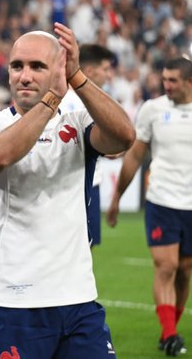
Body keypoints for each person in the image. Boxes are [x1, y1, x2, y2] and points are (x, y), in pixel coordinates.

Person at [0, 24, 135, 358]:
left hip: (78, 300)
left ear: (57, 68)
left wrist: (78, 78)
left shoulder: (76, 123)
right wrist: (53, 97)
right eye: (17, 66)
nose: (24, 76)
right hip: (13, 302)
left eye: (37, 66)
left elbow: (124, 137)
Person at [107, 57, 192, 356]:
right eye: (164, 79)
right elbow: (134, 156)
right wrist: (117, 197)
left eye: (172, 81)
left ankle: (170, 328)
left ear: (189, 83)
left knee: (184, 270)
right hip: (161, 201)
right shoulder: (153, 110)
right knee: (166, 265)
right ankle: (169, 334)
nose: (165, 85)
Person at [59, 44, 118, 248]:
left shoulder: (95, 101)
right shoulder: (69, 102)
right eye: (106, 68)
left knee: (85, 250)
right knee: (73, 250)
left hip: (92, 183)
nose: (109, 74)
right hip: (72, 186)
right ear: (90, 71)